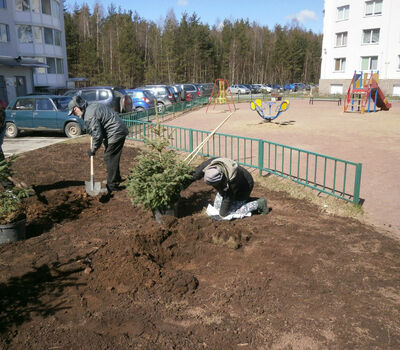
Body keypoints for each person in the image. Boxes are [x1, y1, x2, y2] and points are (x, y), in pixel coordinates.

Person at [67, 95, 128, 195]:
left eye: (74, 112)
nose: (75, 114)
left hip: (115, 132)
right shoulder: (92, 106)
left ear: (76, 108)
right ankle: (115, 178)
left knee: (109, 157)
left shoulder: (89, 115)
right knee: (112, 156)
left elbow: (97, 135)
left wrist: (93, 149)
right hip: (117, 129)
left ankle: (111, 186)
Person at [192, 157, 268, 218]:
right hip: (228, 186)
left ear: (220, 179)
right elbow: (195, 174)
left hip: (244, 186)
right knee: (217, 208)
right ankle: (244, 201)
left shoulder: (232, 181)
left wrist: (222, 215)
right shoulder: (211, 165)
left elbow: (228, 198)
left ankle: (259, 203)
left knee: (230, 212)